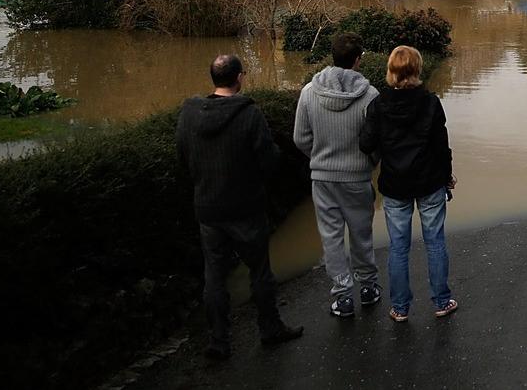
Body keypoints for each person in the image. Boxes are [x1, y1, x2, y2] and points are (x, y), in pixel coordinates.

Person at [175, 54, 303, 360]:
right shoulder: (249, 114)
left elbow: (182, 160)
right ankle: (270, 329)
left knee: (214, 275)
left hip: (208, 209)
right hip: (246, 207)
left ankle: (218, 342)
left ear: (213, 79)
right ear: (240, 78)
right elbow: (269, 160)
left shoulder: (189, 113)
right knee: (259, 271)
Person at [358, 46, 457, 322]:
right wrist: (447, 176)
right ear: (417, 70)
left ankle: (400, 307)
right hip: (429, 182)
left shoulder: (378, 105)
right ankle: (441, 301)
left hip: (395, 184)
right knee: (435, 242)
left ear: (390, 71)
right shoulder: (431, 103)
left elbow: (366, 143)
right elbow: (441, 147)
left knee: (399, 247)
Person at [294, 33, 381, 318]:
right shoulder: (370, 96)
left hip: (323, 178)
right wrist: (368, 162)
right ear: (357, 60)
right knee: (361, 234)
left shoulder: (308, 92)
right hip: (357, 177)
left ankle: (342, 296)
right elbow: (376, 141)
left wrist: (319, 159)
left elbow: (300, 138)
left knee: (331, 237)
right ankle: (368, 287)